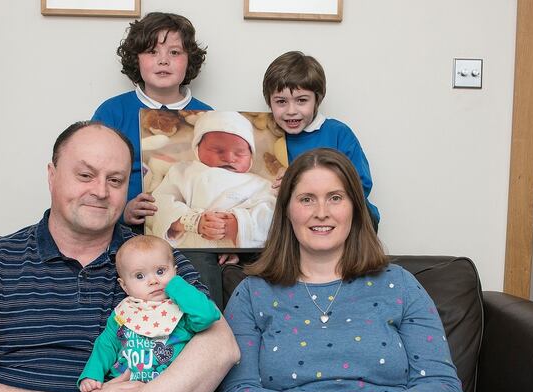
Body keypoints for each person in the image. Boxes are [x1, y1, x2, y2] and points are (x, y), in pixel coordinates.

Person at [0, 121, 238, 392]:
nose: (101, 191)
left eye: (115, 180)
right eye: (85, 175)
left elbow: (221, 347)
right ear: (52, 175)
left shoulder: (157, 261)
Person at [218, 149, 463, 392]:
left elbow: (444, 388)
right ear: (287, 210)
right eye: (307, 199)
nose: (322, 212)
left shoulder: (398, 284)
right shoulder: (252, 293)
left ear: (355, 209)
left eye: (335, 197)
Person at [92, 12, 235, 304]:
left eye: (174, 52)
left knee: (202, 296)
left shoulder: (209, 117)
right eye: (152, 51)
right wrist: (123, 212)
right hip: (126, 232)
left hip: (190, 236)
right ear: (136, 60)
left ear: (188, 61)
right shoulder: (112, 112)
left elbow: (224, 183)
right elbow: (93, 177)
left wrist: (235, 240)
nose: (163, 60)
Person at [78, 235, 220, 389]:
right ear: (124, 286)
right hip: (124, 389)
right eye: (140, 276)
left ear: (175, 272)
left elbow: (207, 316)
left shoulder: (182, 309)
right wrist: (92, 374)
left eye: (160, 271)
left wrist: (177, 285)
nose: (153, 281)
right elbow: (106, 346)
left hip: (171, 391)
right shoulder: (123, 313)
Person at [263, 51, 380, 230]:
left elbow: (361, 185)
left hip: (339, 217)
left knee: (362, 213)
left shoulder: (338, 133)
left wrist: (297, 181)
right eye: (281, 102)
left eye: (301, 100)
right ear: (269, 102)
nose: (291, 110)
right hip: (291, 221)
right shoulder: (265, 135)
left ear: (317, 99)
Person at [151, 111, 276, 250]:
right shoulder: (184, 172)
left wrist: (240, 225)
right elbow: (161, 202)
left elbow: (273, 215)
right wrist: (191, 221)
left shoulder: (260, 185)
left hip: (239, 254)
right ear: (197, 149)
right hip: (190, 250)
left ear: (251, 156)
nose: (229, 158)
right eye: (218, 150)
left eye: (239, 152)